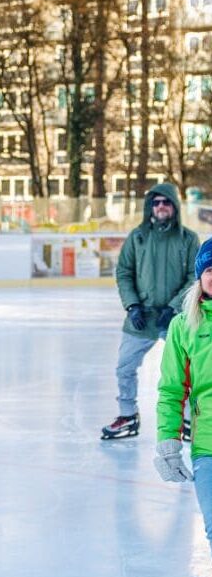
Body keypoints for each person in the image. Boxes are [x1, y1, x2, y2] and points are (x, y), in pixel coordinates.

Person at [102, 183, 199, 440]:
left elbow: (195, 276)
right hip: (142, 316)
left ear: (174, 206)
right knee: (125, 367)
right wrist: (132, 305)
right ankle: (128, 416)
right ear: (150, 207)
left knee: (187, 369)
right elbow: (124, 272)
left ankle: (190, 420)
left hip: (176, 317)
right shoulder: (138, 237)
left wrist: (174, 307)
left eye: (165, 202)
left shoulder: (188, 239)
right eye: (155, 203)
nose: (161, 207)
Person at [154, 238, 212, 542]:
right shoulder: (184, 325)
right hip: (208, 446)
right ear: (200, 277)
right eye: (211, 269)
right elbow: (171, 390)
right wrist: (168, 442)